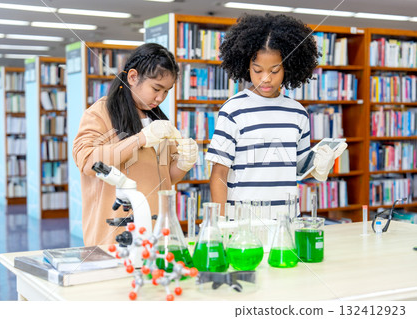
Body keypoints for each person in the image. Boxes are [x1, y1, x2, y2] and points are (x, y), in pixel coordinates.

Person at [205, 14, 346, 217]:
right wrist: (219, 223)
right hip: (243, 225)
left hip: (287, 220)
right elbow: (219, 173)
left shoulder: (298, 113)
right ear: (246, 66)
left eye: (275, 70)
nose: (265, 79)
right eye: (257, 70)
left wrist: (319, 167)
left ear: (288, 67)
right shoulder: (233, 109)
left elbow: (298, 169)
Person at [73, 43, 198, 245]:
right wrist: (140, 139)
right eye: (156, 88)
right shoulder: (100, 113)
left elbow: (166, 180)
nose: (160, 98)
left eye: (166, 91)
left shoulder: (158, 119)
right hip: (114, 236)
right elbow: (87, 162)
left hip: (157, 234)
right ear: (132, 77)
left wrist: (184, 163)